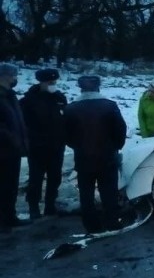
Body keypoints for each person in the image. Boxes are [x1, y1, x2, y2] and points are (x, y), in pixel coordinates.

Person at [64, 75, 127, 234]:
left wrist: (78, 146)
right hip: (107, 156)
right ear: (98, 87)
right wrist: (115, 146)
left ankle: (91, 224)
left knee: (86, 193)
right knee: (108, 191)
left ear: (81, 88)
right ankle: (112, 221)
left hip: (83, 157)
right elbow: (120, 129)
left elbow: (66, 134)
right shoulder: (109, 106)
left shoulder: (71, 109)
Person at [19, 68, 67, 219]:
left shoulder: (59, 98)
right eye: (50, 82)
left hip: (57, 145)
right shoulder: (28, 100)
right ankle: (33, 207)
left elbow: (65, 117)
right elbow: (23, 124)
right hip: (37, 146)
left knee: (55, 177)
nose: (53, 85)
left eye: (55, 82)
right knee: (36, 178)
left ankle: (50, 205)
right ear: (42, 82)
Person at [0, 63, 30, 231]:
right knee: (3, 185)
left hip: (13, 150)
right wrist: (11, 138)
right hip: (3, 150)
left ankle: (9, 216)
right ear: (4, 76)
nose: (15, 79)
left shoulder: (10, 95)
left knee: (11, 185)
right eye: (13, 75)